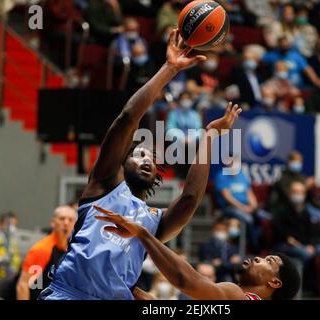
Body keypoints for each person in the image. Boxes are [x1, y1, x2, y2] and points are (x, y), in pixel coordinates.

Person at [39, 30, 242, 300]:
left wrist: (210, 135)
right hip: (70, 294)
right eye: (139, 154)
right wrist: (169, 69)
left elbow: (191, 198)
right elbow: (128, 117)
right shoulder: (104, 183)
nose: (147, 160)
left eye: (152, 159)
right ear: (122, 162)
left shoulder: (155, 221)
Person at [93, 206, 301, 300]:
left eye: (268, 261)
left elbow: (187, 281)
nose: (258, 257)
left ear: (274, 282)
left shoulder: (236, 295)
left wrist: (143, 234)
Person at [16, 206, 77, 300]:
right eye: (62, 219)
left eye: (70, 220)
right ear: (53, 222)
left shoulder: (74, 249)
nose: (66, 223)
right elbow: (23, 286)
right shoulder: (42, 249)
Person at [214, 153, 264, 254]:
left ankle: (254, 243)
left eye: (237, 162)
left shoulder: (242, 175)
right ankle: (255, 249)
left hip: (246, 207)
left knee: (263, 217)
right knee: (248, 219)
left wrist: (253, 206)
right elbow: (227, 197)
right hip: (229, 208)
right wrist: (243, 208)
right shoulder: (221, 176)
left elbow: (249, 193)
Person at [272, 181, 320, 275]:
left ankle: (312, 283)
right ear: (289, 193)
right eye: (295, 192)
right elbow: (281, 232)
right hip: (285, 244)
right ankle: (294, 279)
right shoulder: (280, 210)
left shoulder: (305, 212)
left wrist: (311, 245)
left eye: (300, 192)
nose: (297, 195)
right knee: (305, 253)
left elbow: (311, 232)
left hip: (304, 244)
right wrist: (301, 245)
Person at [232, 45, 266, 109]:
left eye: (251, 59)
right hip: (246, 104)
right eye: (246, 59)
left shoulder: (260, 74)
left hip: (261, 103)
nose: (248, 61)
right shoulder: (237, 72)